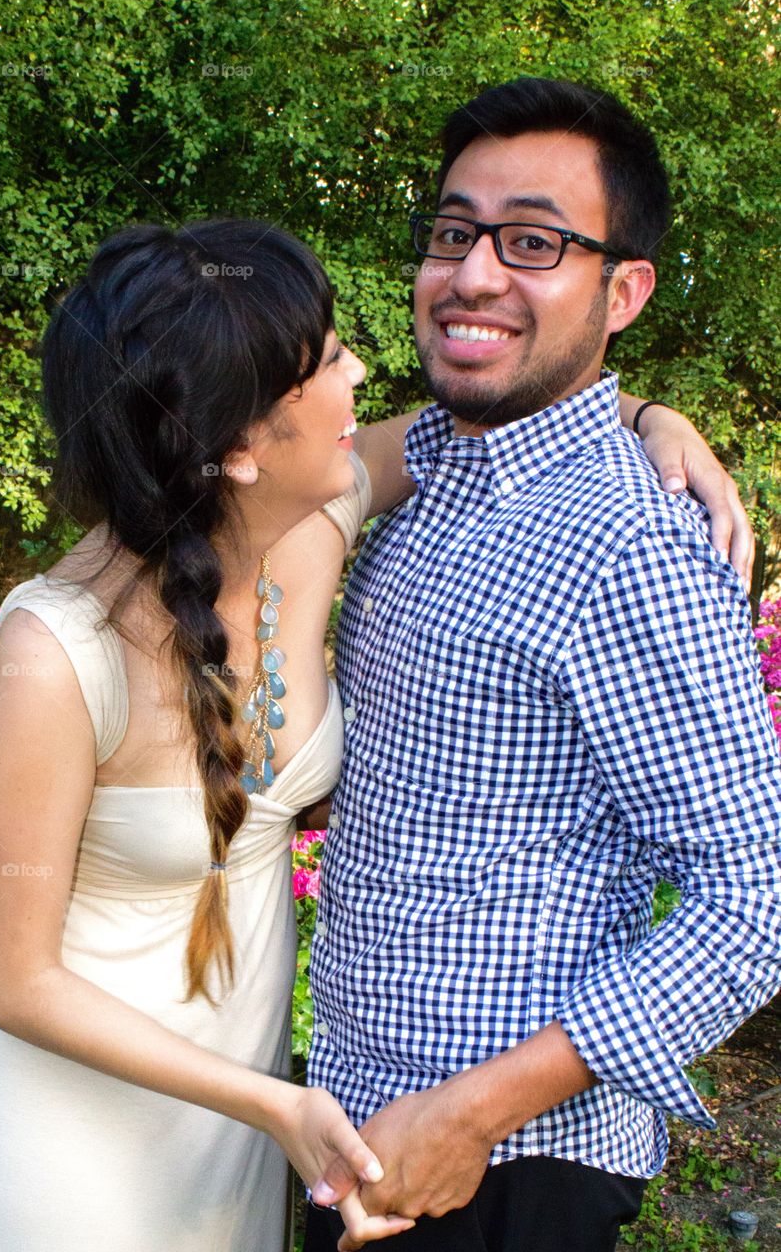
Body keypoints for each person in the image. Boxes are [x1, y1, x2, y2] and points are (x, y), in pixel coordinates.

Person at [0, 216, 751, 1252]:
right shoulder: (53, 654)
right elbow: (14, 978)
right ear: (236, 447)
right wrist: (272, 1103)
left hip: (244, 1102)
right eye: (322, 360)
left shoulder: (311, 525)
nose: (360, 366)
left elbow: (505, 416)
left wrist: (651, 416)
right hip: (78, 1116)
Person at [304, 78, 781, 1252]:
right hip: (355, 1109)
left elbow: (755, 898)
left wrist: (471, 1114)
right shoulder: (437, 468)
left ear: (622, 290)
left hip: (506, 1166)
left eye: (532, 241)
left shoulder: (628, 547)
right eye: (455, 232)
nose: (472, 273)